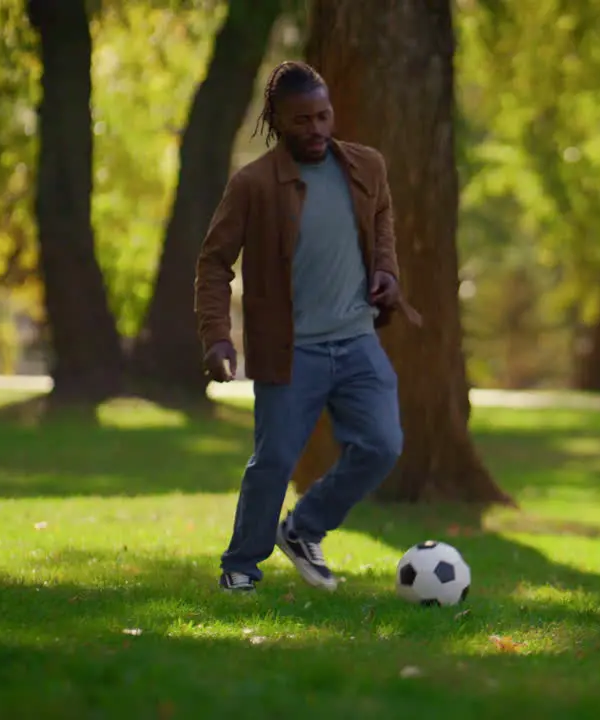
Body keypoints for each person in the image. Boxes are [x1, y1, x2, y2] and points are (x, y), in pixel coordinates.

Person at [194, 60, 420, 593]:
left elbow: (382, 218)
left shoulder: (366, 167)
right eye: (302, 120)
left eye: (323, 116)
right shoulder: (253, 184)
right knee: (273, 461)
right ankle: (241, 567)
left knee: (382, 444)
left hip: (358, 339)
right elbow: (213, 262)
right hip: (293, 351)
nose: (317, 129)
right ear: (277, 121)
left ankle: (304, 527)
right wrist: (217, 335)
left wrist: (386, 271)